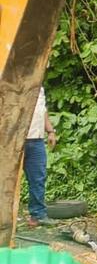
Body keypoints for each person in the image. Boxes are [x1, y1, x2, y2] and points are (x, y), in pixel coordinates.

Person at [23, 86, 56, 226]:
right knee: (7, 179)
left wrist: (50, 131)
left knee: (38, 178)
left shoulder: (40, 88)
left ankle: (38, 215)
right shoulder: (10, 82)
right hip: (13, 141)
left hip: (36, 140)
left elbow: (42, 111)